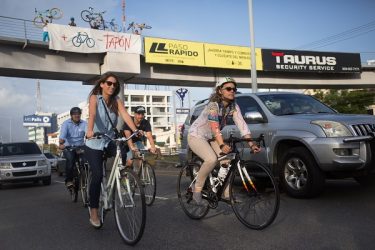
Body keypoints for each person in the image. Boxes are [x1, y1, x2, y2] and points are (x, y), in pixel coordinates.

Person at [187, 76, 261, 204]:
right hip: (196, 136)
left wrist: (251, 143)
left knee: (228, 161)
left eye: (234, 89)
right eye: (228, 88)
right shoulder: (213, 106)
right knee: (211, 159)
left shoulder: (233, 106)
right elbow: (215, 127)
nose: (232, 91)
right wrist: (221, 144)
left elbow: (241, 124)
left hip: (211, 137)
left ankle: (226, 194)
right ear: (220, 91)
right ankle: (197, 189)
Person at [85, 72, 140, 228]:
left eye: (115, 84)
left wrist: (136, 130)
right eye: (109, 83)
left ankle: (123, 183)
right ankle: (94, 211)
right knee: (97, 175)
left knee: (122, 153)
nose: (112, 86)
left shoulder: (117, 101)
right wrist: (89, 131)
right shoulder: (95, 98)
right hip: (94, 142)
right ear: (102, 84)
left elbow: (125, 115)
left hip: (109, 140)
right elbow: (92, 114)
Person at [59, 107, 87, 188]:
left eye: (78, 114)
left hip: (81, 146)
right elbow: (63, 135)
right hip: (68, 146)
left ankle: (86, 178)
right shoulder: (66, 124)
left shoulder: (84, 123)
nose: (77, 116)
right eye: (75, 114)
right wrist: (61, 142)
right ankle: (69, 180)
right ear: (71, 115)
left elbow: (88, 133)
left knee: (86, 162)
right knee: (70, 161)